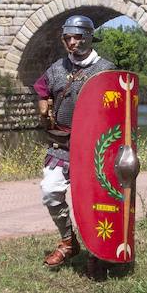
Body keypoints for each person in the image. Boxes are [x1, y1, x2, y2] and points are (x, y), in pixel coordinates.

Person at [33, 15, 115, 271]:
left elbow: (117, 109)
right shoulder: (57, 68)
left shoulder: (106, 69)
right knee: (50, 191)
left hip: (94, 147)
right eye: (67, 38)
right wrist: (43, 105)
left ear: (88, 37)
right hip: (62, 144)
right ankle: (69, 241)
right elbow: (41, 88)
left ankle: (97, 247)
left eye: (76, 37)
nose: (71, 42)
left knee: (93, 199)